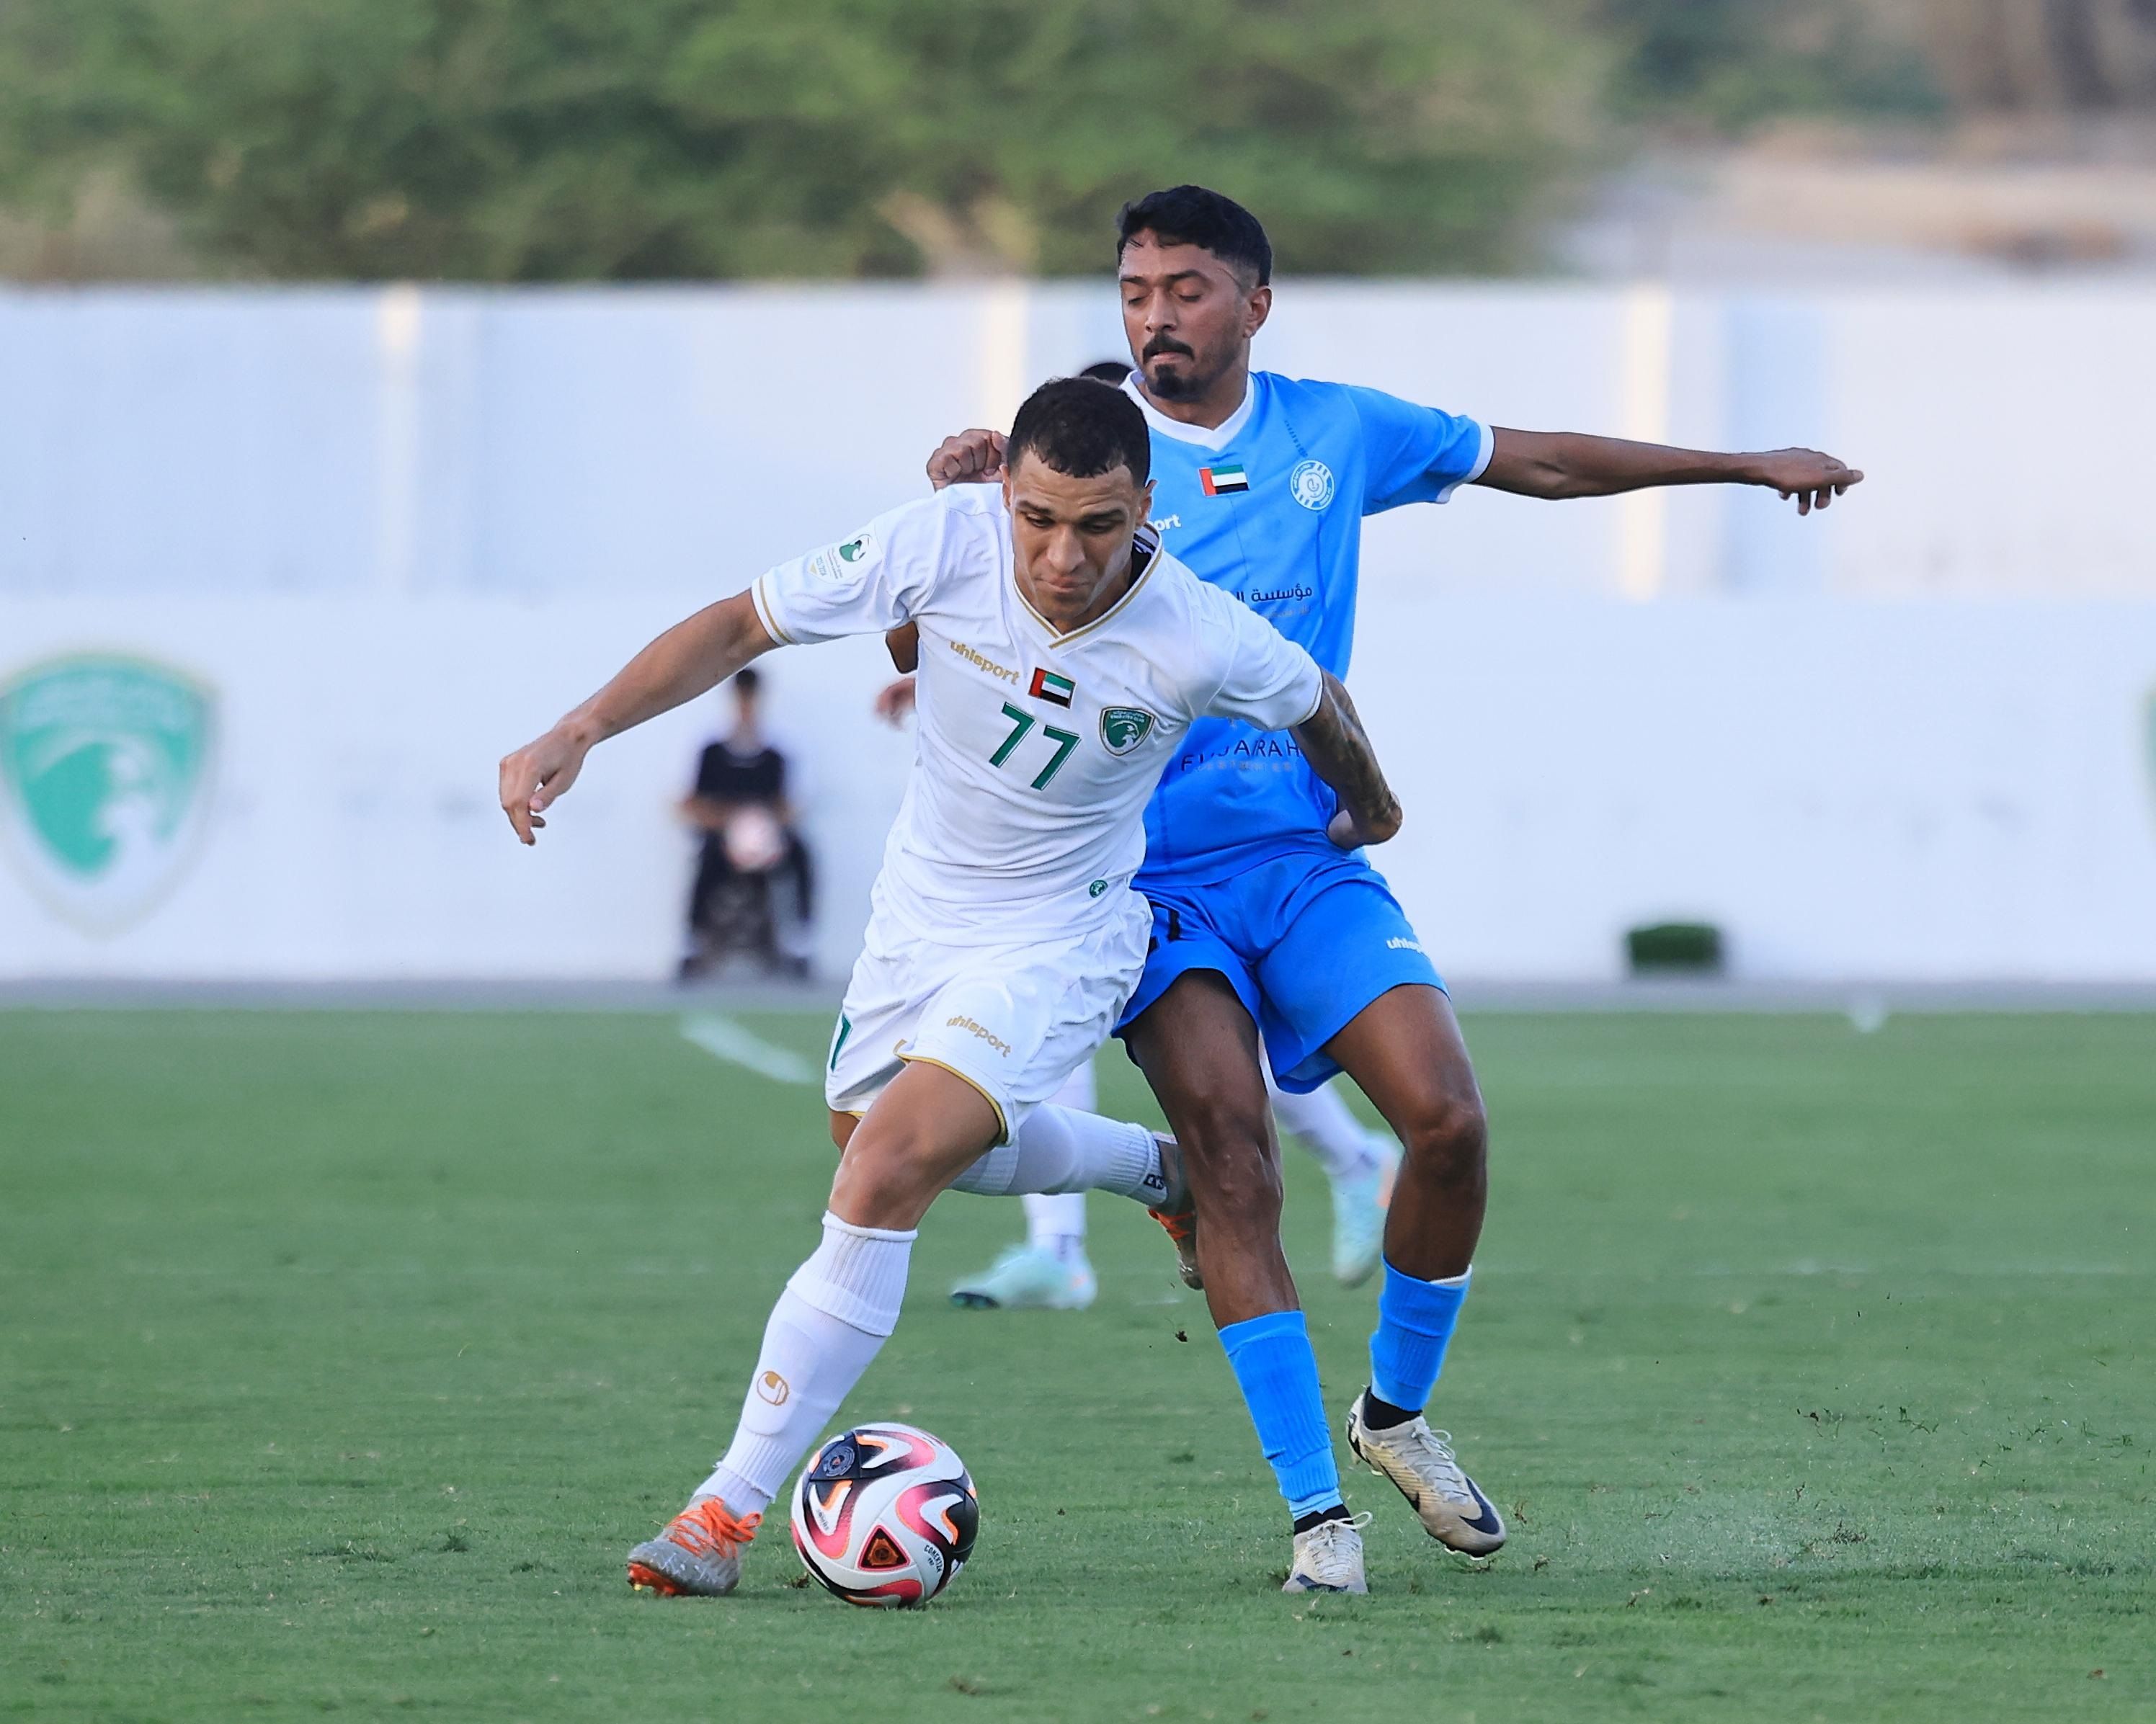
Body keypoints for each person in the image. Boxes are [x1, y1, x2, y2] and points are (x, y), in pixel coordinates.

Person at [917, 186, 1863, 1579]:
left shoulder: (1334, 432)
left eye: (1185, 288)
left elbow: (1530, 460)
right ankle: (1316, 1516)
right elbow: (950, 624)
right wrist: (953, 518)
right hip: (1142, 883)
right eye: (1133, 290)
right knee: (1233, 1160)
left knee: (1449, 1120)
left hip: (1303, 855)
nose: (1155, 314)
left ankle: (1396, 1418)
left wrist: (1734, 463)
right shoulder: (1071, 461)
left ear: (1254, 301)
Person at [496, 376, 1406, 1597]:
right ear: (1006, 494)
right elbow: (737, 624)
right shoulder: (941, 535)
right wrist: (581, 725)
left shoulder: (1200, 631)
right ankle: (1155, 1170)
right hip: (917, 919)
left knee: (878, 1170)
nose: (1059, 554)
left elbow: (1318, 703)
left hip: (1061, 936)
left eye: (1095, 524)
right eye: (1035, 517)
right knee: (872, 1134)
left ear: (1147, 506)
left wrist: (1373, 806)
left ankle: (723, 1510)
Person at [876, 649, 1401, 1308]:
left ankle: (1350, 1158)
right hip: (1094, 793)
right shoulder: (1090, 570)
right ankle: (1060, 1246)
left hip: (1167, 797)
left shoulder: (1172, 588)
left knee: (1208, 1036)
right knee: (1052, 1007)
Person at [678, 666, 814, 979]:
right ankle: (693, 943)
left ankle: (800, 940)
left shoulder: (775, 754)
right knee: (706, 859)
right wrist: (730, 825)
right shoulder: (711, 752)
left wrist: (762, 828)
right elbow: (689, 803)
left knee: (802, 853)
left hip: (768, 841)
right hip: (722, 839)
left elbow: (790, 806)